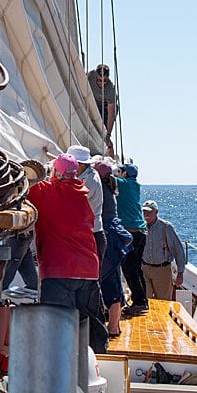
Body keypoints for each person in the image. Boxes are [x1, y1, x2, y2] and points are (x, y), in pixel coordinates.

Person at [27, 153, 109, 354]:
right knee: (91, 327)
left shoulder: (44, 192)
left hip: (58, 271)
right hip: (88, 270)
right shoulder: (82, 192)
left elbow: (24, 188)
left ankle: (59, 378)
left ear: (55, 171)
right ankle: (97, 366)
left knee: (57, 330)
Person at [94, 160, 131, 338]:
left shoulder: (98, 187)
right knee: (113, 281)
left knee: (104, 281)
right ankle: (114, 327)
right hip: (114, 238)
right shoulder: (110, 187)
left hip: (106, 238)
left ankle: (110, 327)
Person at [116, 163, 148, 315]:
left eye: (119, 171)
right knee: (136, 268)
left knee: (129, 268)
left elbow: (105, 176)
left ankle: (139, 302)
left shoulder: (123, 184)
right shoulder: (135, 185)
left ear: (124, 173)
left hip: (131, 232)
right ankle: (142, 301)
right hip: (140, 231)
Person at [140, 201, 187, 301]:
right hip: (144, 269)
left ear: (156, 212)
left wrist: (180, 273)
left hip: (162, 270)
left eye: (149, 212)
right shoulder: (140, 227)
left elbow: (178, 251)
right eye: (144, 212)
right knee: (144, 300)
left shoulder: (166, 227)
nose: (146, 214)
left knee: (163, 302)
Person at [66, 144, 104, 266]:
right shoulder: (87, 175)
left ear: (81, 165)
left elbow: (72, 202)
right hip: (86, 234)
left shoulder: (90, 180)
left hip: (90, 236)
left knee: (90, 279)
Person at [87, 65, 118, 154]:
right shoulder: (91, 75)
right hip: (94, 104)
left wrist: (108, 134)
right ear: (96, 76)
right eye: (100, 80)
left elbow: (111, 115)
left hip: (106, 108)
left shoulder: (110, 90)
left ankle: (111, 159)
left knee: (104, 136)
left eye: (105, 81)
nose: (102, 83)